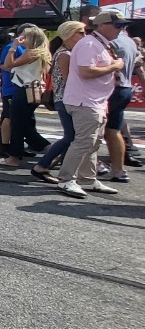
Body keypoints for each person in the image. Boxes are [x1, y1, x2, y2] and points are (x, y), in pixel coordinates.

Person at [57, 12, 125, 198]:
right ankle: (66, 179)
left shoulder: (99, 44)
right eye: (118, 25)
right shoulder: (89, 44)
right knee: (83, 142)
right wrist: (114, 67)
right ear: (102, 25)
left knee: (93, 143)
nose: (121, 29)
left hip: (95, 101)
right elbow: (86, 72)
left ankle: (86, 178)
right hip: (85, 101)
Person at [32, 22, 84, 184]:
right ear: (69, 34)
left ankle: (52, 163)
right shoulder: (65, 55)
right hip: (65, 98)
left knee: (73, 136)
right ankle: (42, 165)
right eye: (80, 33)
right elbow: (69, 80)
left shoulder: (67, 52)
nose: (84, 36)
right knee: (71, 136)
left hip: (65, 97)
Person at [0, 26, 53, 166]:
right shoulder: (41, 52)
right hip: (31, 90)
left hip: (24, 90)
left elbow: (9, 64)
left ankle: (14, 157)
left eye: (24, 36)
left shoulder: (31, 53)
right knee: (26, 125)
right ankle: (51, 150)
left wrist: (14, 46)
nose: (21, 38)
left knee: (17, 124)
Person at [103, 12, 143, 182]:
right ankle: (118, 170)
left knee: (98, 131)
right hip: (124, 88)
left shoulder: (111, 42)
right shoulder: (130, 42)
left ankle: (94, 167)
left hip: (111, 89)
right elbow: (138, 65)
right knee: (113, 131)